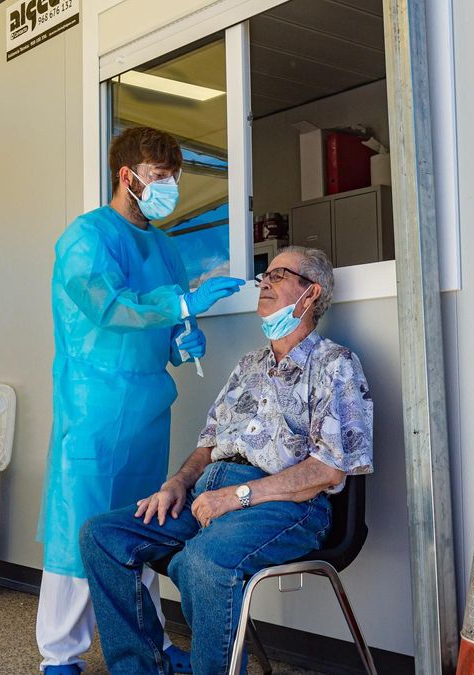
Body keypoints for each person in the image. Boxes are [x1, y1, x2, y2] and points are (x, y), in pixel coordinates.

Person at [80, 247, 374, 674]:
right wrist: (177, 484)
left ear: (310, 294)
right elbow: (207, 444)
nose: (265, 282)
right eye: (264, 274)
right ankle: (141, 668)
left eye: (279, 274)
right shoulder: (249, 364)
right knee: (102, 534)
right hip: (211, 493)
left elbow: (327, 469)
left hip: (287, 505)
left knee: (202, 562)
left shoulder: (336, 365)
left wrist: (236, 496)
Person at [37, 126, 244, 674]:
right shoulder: (86, 238)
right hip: (96, 408)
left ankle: (149, 642)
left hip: (149, 410)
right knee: (79, 527)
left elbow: (167, 326)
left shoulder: (165, 247)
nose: (169, 188)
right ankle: (61, 654)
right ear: (126, 176)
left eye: (174, 178)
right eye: (159, 178)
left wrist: (184, 340)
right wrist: (182, 301)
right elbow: (111, 308)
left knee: (144, 526)